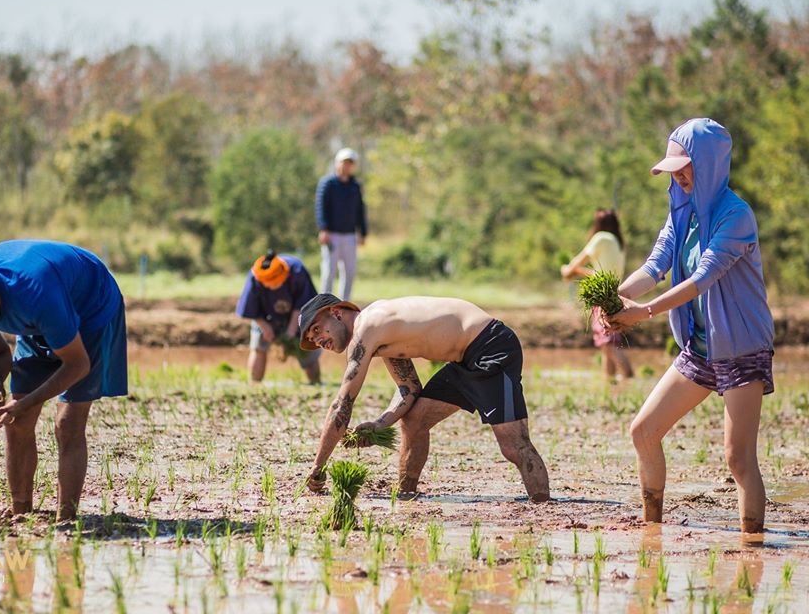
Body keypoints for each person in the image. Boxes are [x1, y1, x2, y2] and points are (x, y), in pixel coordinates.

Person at [605, 118, 774, 533]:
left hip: (740, 349)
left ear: (711, 164)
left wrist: (642, 313)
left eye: (685, 166)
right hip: (699, 350)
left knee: (738, 458)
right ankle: (652, 528)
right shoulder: (681, 215)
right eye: (673, 168)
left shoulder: (736, 216)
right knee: (643, 431)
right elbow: (654, 266)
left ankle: (752, 547)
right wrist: (612, 297)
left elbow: (702, 279)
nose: (678, 175)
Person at [0, 240, 127, 522]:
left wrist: (27, 401)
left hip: (91, 309)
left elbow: (77, 364)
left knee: (68, 424)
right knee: (17, 422)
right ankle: (20, 511)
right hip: (42, 314)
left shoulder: (37, 295)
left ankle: (67, 518)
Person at [298, 293, 550, 501]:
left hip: (490, 347)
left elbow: (342, 404)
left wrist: (317, 468)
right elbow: (408, 390)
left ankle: (543, 506)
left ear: (336, 313)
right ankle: (406, 496)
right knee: (414, 420)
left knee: (514, 446)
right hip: (466, 359)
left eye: (317, 329)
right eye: (312, 338)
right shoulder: (381, 334)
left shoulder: (368, 326)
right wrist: (378, 425)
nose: (318, 340)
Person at [561, 208, 634, 380]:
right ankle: (609, 383)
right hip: (615, 295)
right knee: (607, 341)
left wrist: (568, 270)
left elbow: (574, 266)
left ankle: (629, 377)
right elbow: (602, 272)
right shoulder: (617, 242)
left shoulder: (601, 238)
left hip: (602, 296)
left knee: (608, 343)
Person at [236, 251, 321, 384]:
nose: (272, 286)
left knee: (307, 349)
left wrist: (291, 331)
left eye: (275, 283)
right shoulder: (255, 276)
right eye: (268, 284)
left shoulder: (297, 271)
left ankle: (315, 383)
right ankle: (254, 384)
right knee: (258, 347)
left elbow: (303, 304)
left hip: (297, 316)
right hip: (266, 317)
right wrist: (264, 327)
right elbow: (250, 308)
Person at [316, 147, 367, 300]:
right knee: (329, 272)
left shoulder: (355, 186)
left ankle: (344, 304)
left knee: (350, 272)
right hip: (332, 234)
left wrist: (363, 231)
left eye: (350, 163)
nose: (347, 166)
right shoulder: (327, 183)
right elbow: (321, 206)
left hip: (349, 235)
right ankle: (325, 304)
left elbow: (360, 209)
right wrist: (323, 229)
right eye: (344, 162)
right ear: (337, 163)